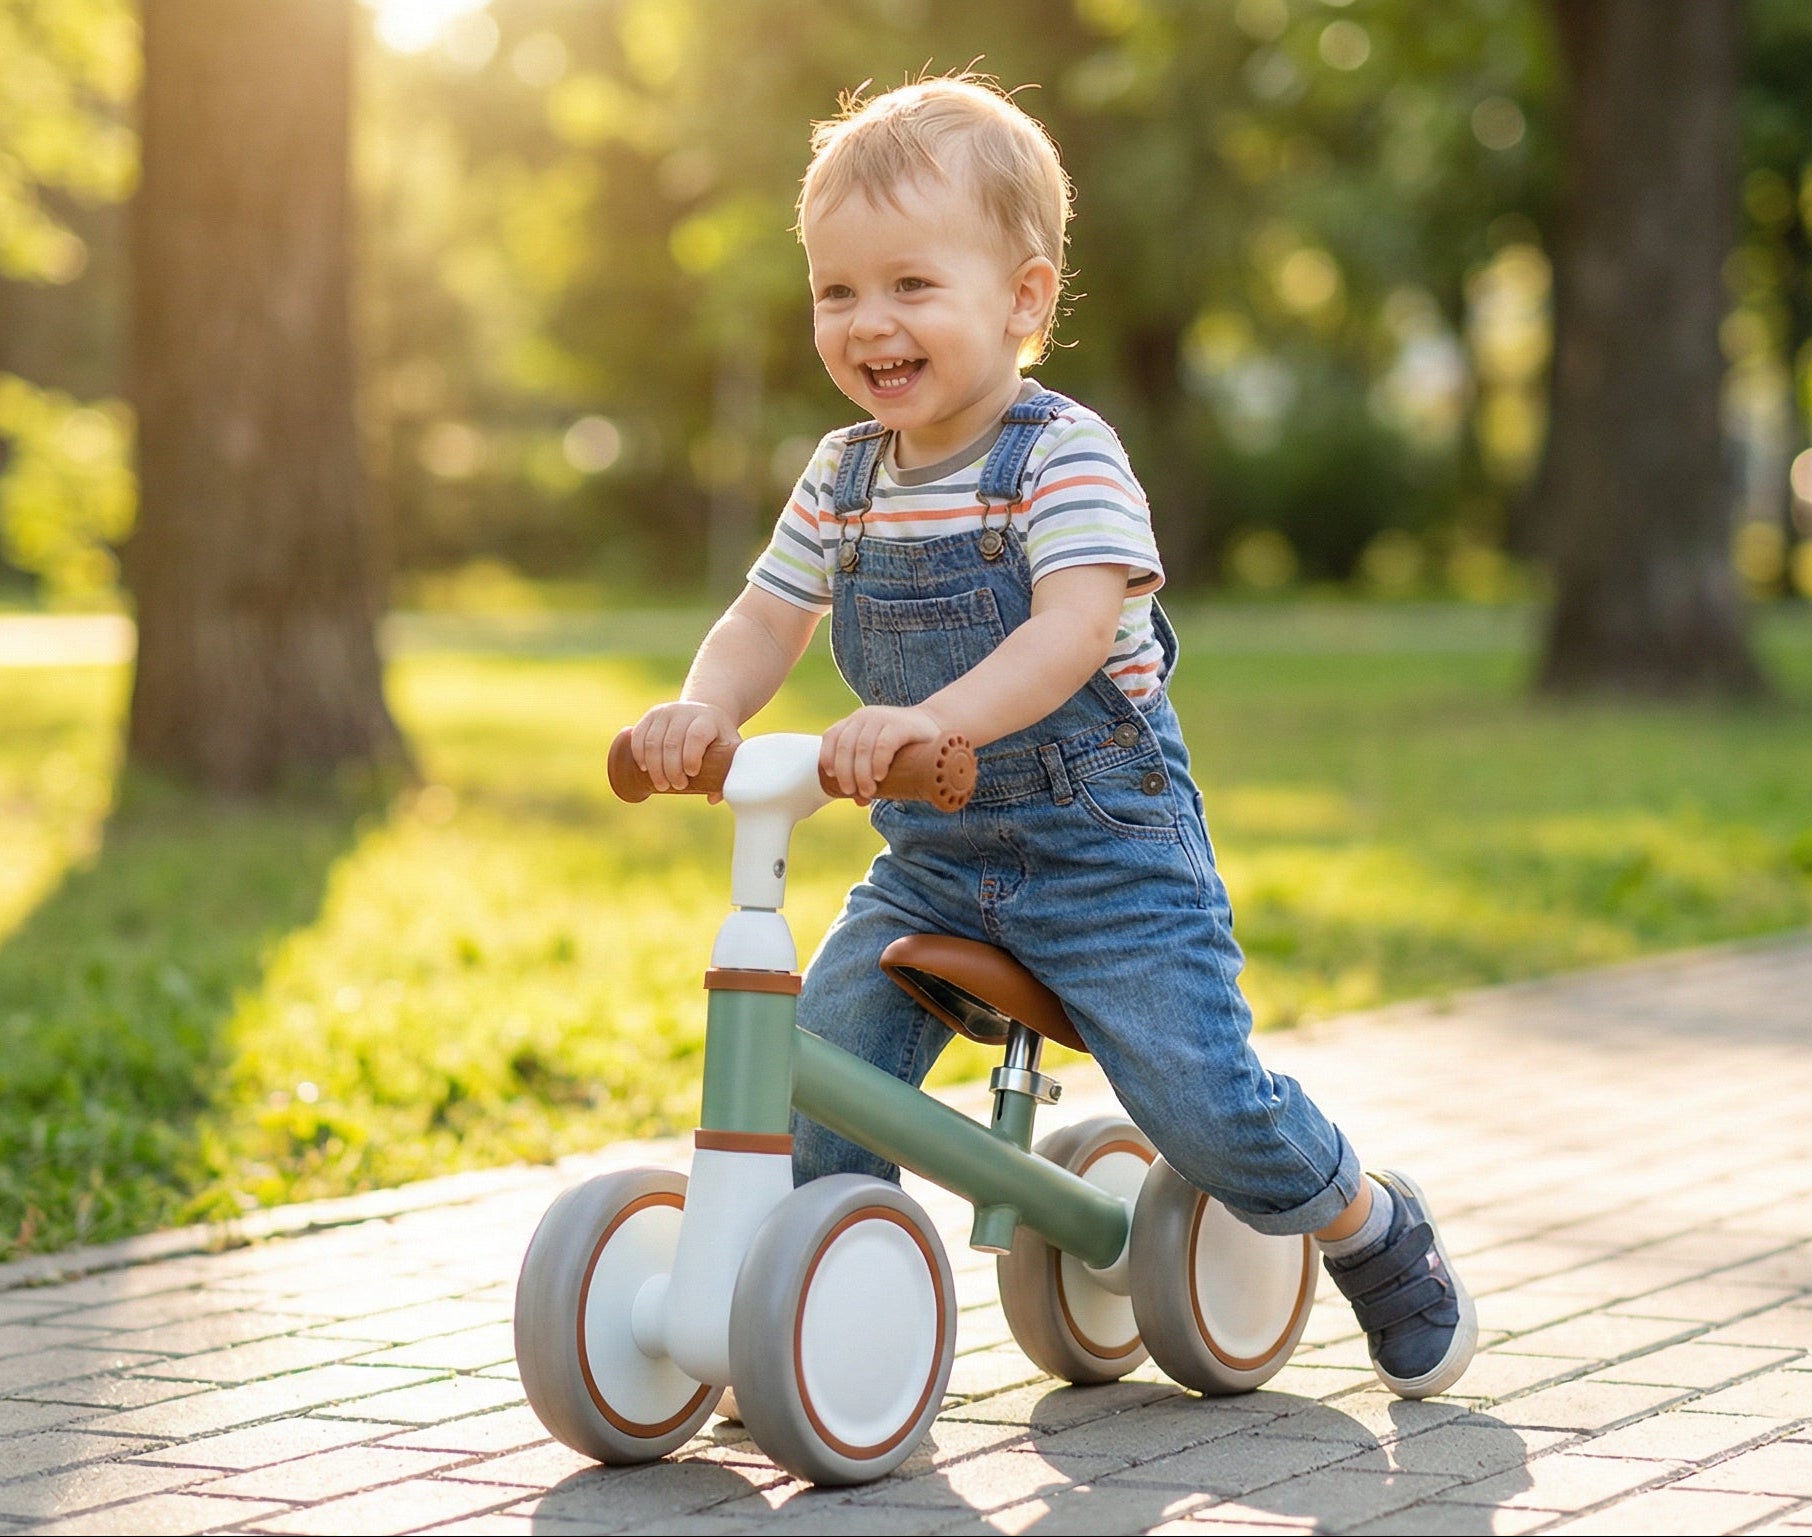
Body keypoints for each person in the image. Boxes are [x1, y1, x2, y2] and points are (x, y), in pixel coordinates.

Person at [628, 74, 1475, 1400]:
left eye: (911, 284)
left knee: (1206, 1110)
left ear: (1023, 300)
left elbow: (1073, 629)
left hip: (1104, 852)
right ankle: (815, 1316)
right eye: (836, 292)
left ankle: (1364, 1219)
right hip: (934, 858)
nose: (869, 323)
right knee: (822, 1079)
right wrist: (703, 707)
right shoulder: (842, 477)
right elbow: (763, 614)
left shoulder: (1062, 454)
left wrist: (926, 717)